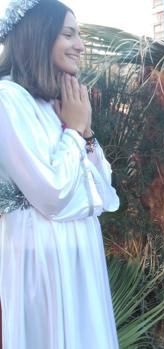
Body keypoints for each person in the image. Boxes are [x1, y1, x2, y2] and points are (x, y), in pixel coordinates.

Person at [0, 1, 120, 348]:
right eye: (69, 33)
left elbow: (102, 193)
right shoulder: (8, 100)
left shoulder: (57, 106)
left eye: (79, 34)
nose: (80, 45)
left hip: (80, 255)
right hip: (43, 261)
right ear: (39, 37)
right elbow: (52, 195)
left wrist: (83, 131)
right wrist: (74, 130)